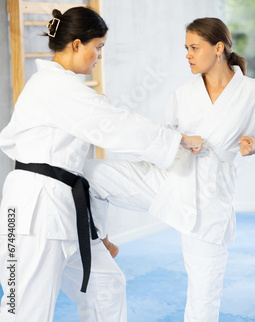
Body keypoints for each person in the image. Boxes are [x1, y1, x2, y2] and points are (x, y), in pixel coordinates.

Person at [0, 7, 202, 322]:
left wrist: (99, 231)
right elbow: (113, 125)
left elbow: (82, 169)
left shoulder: (65, 88)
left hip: (64, 211)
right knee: (24, 310)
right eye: (98, 47)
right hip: (30, 215)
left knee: (107, 287)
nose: (99, 56)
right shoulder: (53, 87)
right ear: (77, 44)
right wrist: (174, 140)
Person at [82, 17, 255, 321]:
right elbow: (165, 137)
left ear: (218, 48)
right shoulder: (183, 92)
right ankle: (101, 241)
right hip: (170, 179)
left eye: (194, 47)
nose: (188, 55)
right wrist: (178, 143)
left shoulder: (253, 92)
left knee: (203, 294)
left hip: (210, 199)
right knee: (92, 173)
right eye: (186, 48)